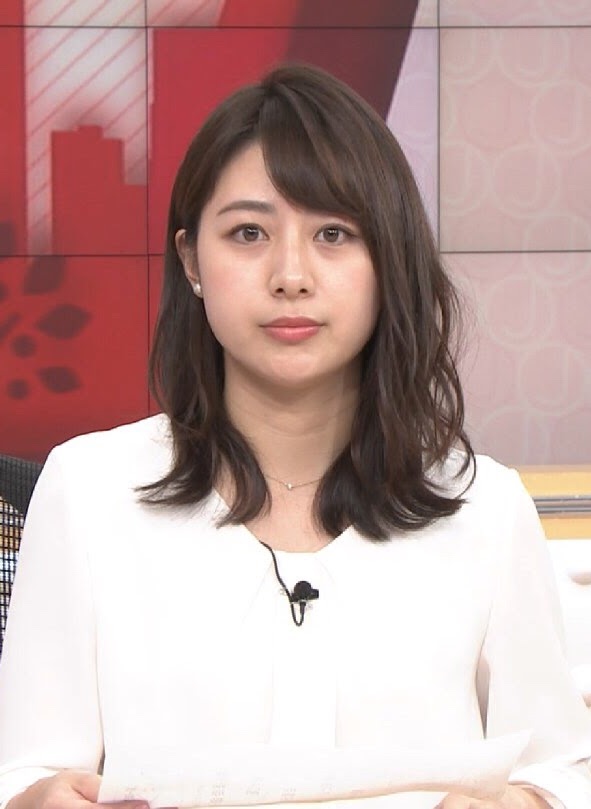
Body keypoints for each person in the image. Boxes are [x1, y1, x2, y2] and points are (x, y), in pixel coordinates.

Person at [0, 64, 590, 809]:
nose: (290, 275)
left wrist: (524, 802)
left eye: (333, 234)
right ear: (191, 261)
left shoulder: (484, 507)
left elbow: (560, 771)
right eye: (248, 233)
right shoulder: (88, 490)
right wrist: (40, 798)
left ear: (388, 260)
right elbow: (21, 771)